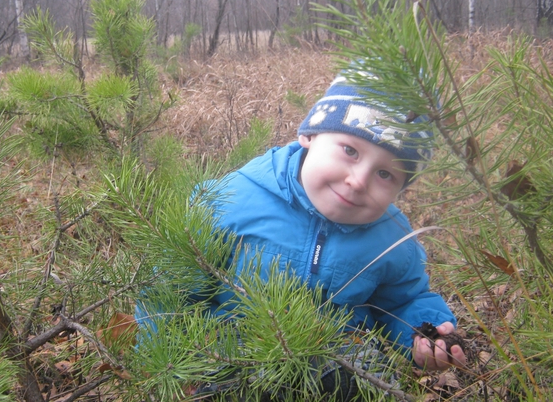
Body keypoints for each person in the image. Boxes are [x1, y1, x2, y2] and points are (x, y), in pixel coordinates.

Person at [139, 74, 467, 399]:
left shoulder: (393, 237)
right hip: (232, 357)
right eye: (350, 151)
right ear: (310, 134)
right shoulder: (230, 202)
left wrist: (422, 333)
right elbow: (171, 292)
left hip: (338, 364)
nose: (358, 181)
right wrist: (163, 362)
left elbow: (404, 299)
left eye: (385, 174)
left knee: (366, 382)